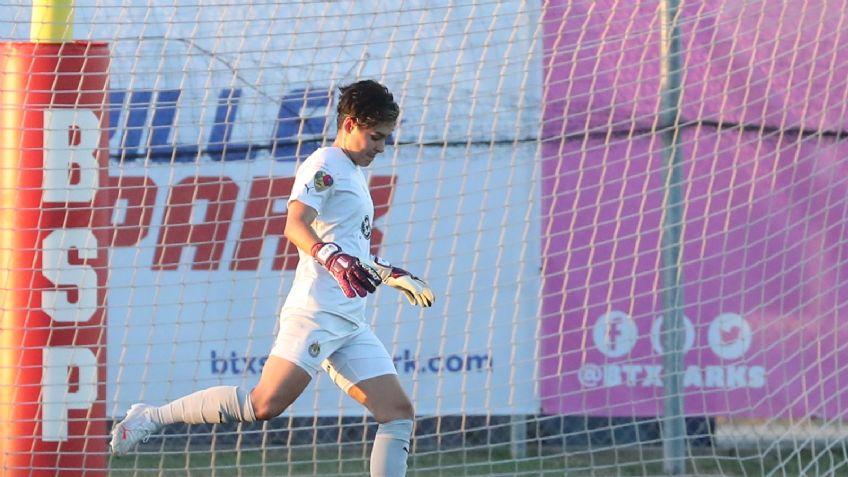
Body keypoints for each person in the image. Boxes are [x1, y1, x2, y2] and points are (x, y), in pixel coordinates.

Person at [110, 79, 435, 477]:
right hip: (317, 314)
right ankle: (152, 416)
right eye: (376, 137)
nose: (381, 147)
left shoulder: (352, 171)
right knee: (263, 405)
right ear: (350, 123)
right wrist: (332, 261)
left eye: (386, 138)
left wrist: (387, 273)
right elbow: (295, 225)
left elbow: (352, 248)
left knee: (398, 413)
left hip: (350, 323)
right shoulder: (324, 165)